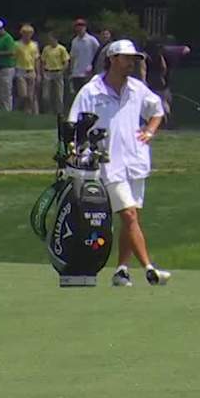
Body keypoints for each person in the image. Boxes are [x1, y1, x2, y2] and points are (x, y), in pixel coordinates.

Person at [69, 40, 172, 286]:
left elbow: (157, 110)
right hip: (107, 163)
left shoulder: (137, 88)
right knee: (128, 215)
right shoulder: (91, 91)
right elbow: (75, 124)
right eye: (127, 58)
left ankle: (122, 270)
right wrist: (78, 150)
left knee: (131, 217)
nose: (131, 63)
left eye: (133, 59)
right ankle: (149, 268)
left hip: (135, 161)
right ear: (112, 59)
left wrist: (150, 130)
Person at [0, 19, 17, 111]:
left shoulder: (8, 38)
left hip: (6, 67)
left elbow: (12, 52)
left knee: (5, 90)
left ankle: (7, 109)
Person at [40, 32, 71, 115]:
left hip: (58, 72)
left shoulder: (61, 49)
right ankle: (47, 111)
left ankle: (59, 112)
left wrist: (62, 71)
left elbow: (66, 62)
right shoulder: (46, 49)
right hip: (48, 72)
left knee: (59, 94)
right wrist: (43, 71)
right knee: (45, 95)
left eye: (52, 39)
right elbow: (42, 61)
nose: (50, 40)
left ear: (56, 39)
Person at [69, 19, 100, 96]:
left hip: (88, 72)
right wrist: (71, 70)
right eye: (77, 26)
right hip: (76, 73)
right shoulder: (74, 41)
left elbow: (98, 54)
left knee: (88, 94)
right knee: (78, 95)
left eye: (82, 26)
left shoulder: (92, 40)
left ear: (85, 27)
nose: (80, 28)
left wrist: (93, 66)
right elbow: (73, 57)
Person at [14, 24, 40, 113]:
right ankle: (19, 108)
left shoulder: (34, 45)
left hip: (31, 70)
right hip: (20, 70)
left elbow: (36, 59)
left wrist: (38, 73)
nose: (27, 35)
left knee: (30, 95)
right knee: (23, 94)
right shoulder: (17, 44)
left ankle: (28, 111)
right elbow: (14, 57)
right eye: (25, 33)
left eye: (29, 33)